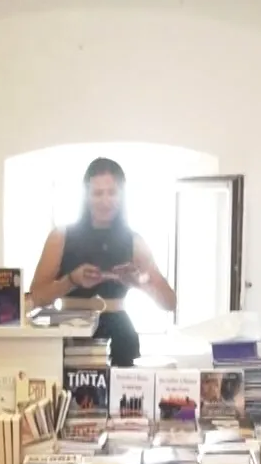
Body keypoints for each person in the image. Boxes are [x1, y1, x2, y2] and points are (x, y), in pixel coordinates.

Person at [25, 158, 176, 369]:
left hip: (120, 337)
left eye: (112, 192)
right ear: (86, 196)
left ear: (122, 195)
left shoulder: (135, 241)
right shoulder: (60, 237)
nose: (105, 201)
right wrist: (71, 281)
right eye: (97, 193)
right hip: (69, 335)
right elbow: (37, 297)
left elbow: (169, 302)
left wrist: (138, 282)